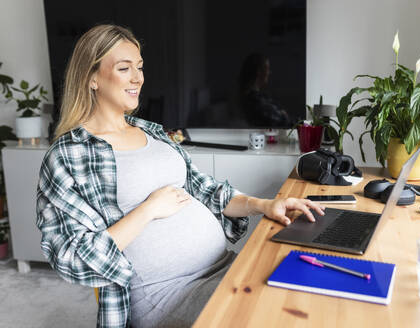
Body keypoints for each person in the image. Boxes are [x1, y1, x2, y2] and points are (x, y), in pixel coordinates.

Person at [36, 25, 325, 328]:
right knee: (278, 316)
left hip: (223, 266)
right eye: (124, 68)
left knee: (309, 293)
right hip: (167, 295)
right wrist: (148, 210)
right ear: (91, 78)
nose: (138, 78)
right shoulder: (69, 155)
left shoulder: (152, 131)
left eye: (140, 67)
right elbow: (73, 257)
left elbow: (208, 191)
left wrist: (264, 205)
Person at [238, 53, 291, 127]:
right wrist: (283, 115)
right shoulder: (253, 100)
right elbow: (283, 120)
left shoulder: (261, 97)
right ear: (259, 71)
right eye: (267, 68)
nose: (269, 72)